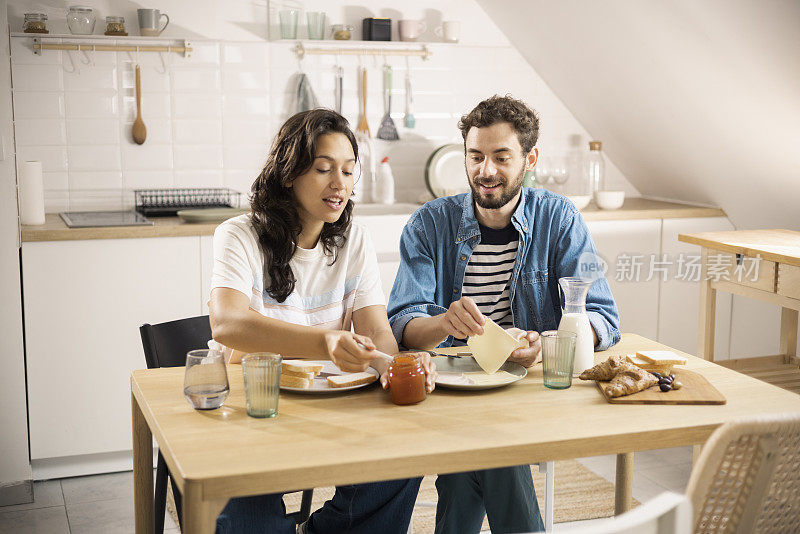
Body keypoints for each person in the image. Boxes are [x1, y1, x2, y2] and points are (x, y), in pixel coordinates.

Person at [387, 95, 621, 534]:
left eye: (501, 157)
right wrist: (443, 324)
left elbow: (604, 318)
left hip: (527, 393)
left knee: (477, 459)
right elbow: (401, 324)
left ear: (530, 159)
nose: (486, 171)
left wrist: (545, 344)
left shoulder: (561, 219)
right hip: (449, 389)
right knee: (492, 450)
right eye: (475, 157)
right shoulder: (428, 224)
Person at [209, 108, 436, 534]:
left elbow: (376, 332)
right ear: (289, 173)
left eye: (349, 171)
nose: (340, 184)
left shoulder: (355, 240)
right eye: (324, 169)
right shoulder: (238, 235)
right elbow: (227, 324)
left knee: (403, 464)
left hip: (333, 409)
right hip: (253, 415)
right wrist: (327, 342)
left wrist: (394, 364)